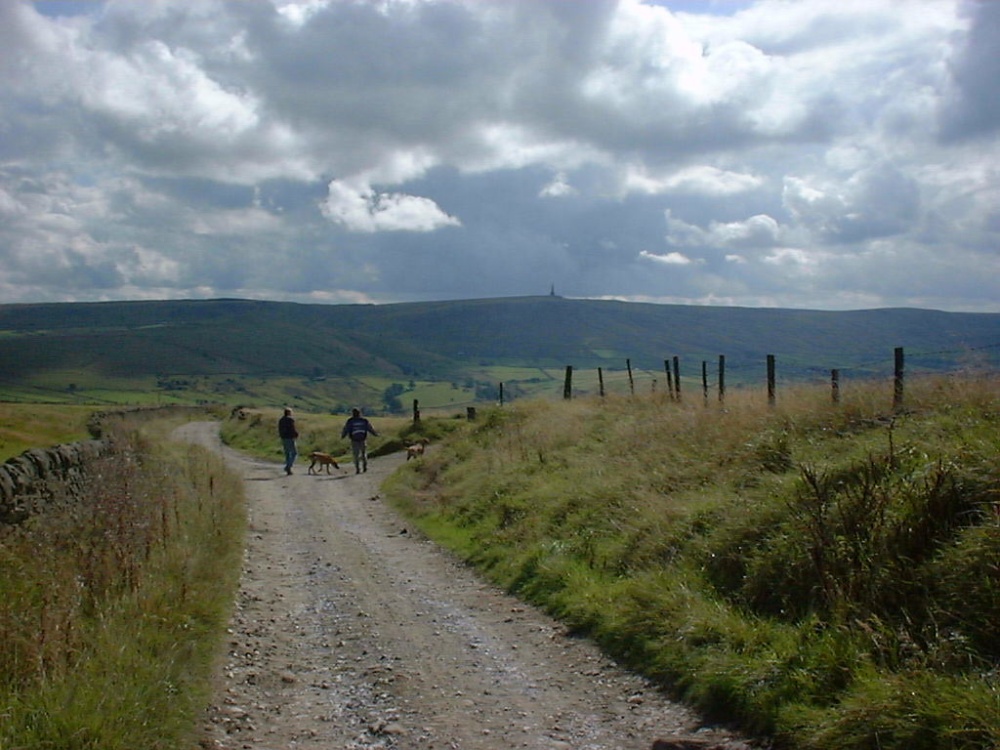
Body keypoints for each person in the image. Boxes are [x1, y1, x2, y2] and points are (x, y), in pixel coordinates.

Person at [341, 407, 377, 474]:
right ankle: (365, 467)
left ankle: (357, 469)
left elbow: (346, 429)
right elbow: (370, 428)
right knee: (363, 454)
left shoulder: (350, 421)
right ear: (359, 413)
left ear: (352, 414)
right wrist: (375, 434)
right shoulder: (364, 420)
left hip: (354, 440)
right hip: (363, 439)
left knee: (356, 455)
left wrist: (343, 436)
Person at [277, 408, 298, 475]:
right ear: (289, 413)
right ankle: (288, 466)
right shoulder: (290, 419)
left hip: (283, 438)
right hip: (290, 437)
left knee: (287, 453)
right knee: (294, 453)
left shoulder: (281, 420)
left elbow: (279, 429)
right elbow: (293, 428)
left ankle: (288, 467)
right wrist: (296, 434)